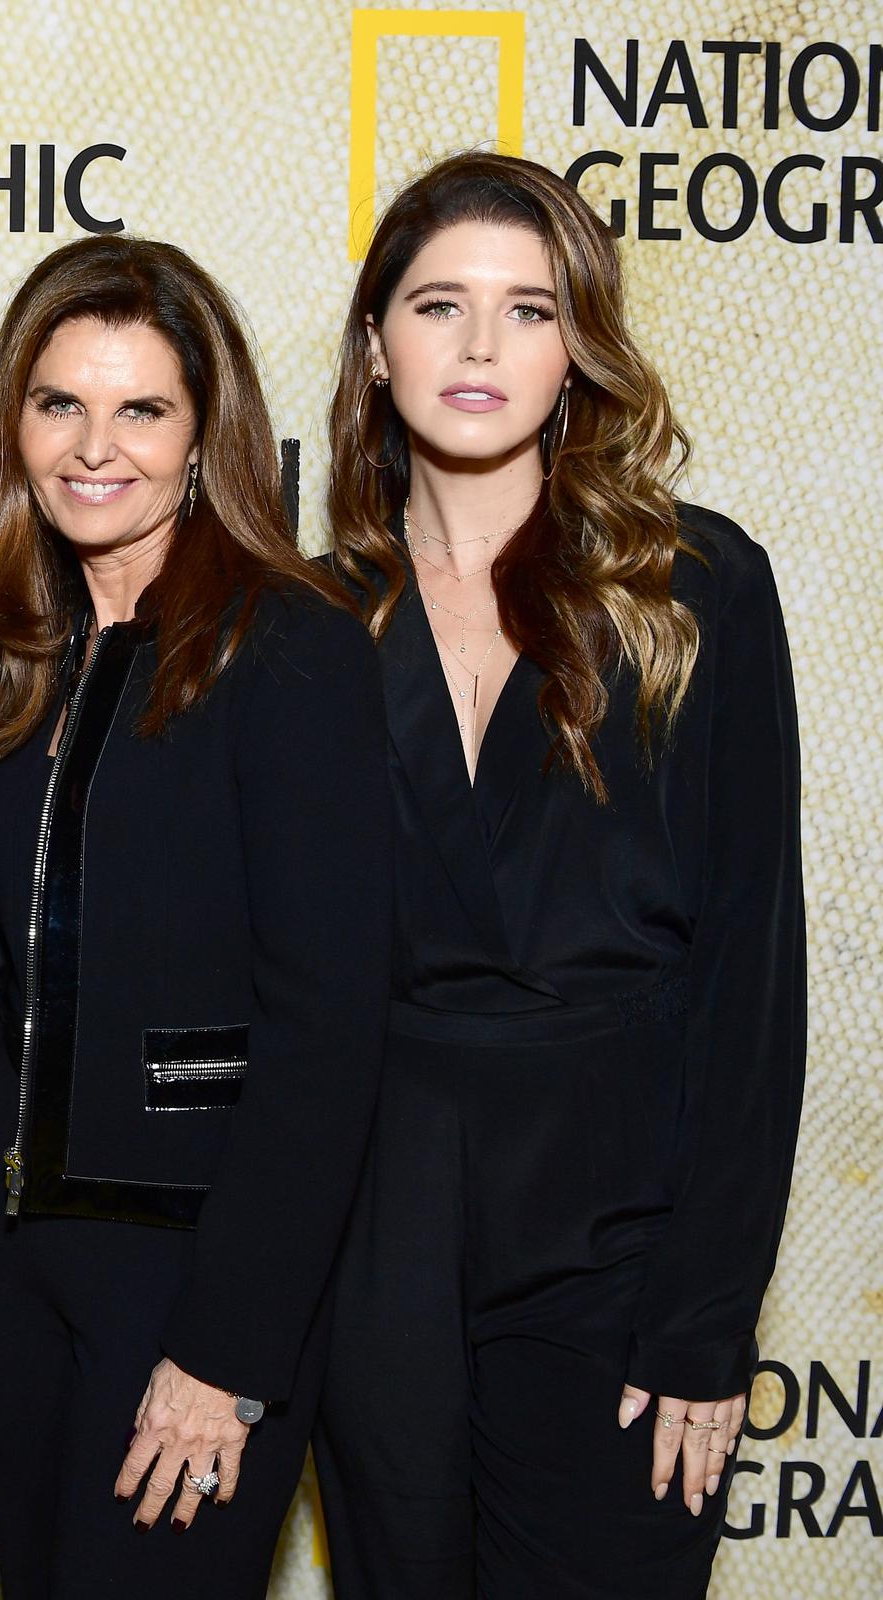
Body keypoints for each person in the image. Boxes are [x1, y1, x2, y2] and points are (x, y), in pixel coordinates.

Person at [312, 151, 805, 1600]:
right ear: (374, 341)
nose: (478, 348)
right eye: (438, 305)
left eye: (527, 310)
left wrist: (706, 1319)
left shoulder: (696, 589)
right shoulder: (307, 619)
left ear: (577, 343)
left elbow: (750, 979)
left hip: (622, 1249)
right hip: (373, 1255)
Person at [0, 234, 392, 1597]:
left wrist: (231, 1349)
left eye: (141, 409)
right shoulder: (22, 649)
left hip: (192, 1274)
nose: (93, 447)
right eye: (60, 403)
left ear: (204, 436)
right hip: (21, 1262)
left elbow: (327, 1030)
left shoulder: (285, 648)